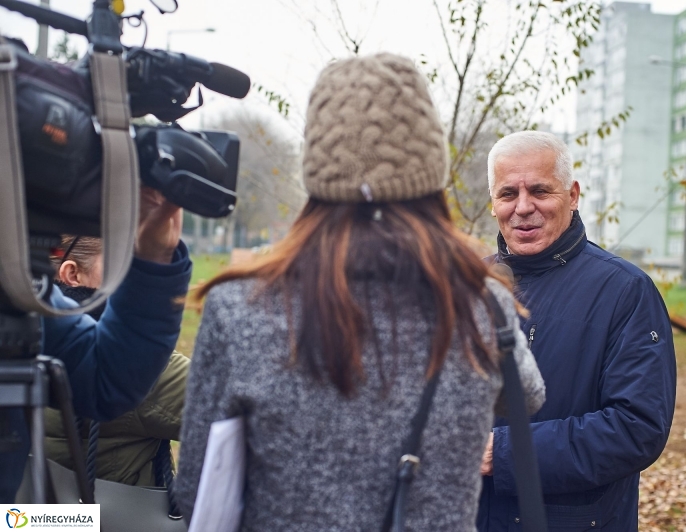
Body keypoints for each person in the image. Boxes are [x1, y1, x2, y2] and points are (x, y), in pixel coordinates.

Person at [175, 53, 546, 531]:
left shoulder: (242, 310)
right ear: (428, 174)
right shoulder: (481, 306)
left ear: (318, 171)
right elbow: (529, 396)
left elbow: (195, 493)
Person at [476, 131, 677, 531]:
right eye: (507, 194)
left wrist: (502, 452)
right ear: (493, 203)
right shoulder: (470, 285)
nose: (523, 208)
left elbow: (636, 428)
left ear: (572, 194)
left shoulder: (624, 291)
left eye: (539, 191)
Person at [0, 188, 191, 502]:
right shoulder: (151, 368)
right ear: (71, 273)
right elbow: (236, 419)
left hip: (27, 518)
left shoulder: (29, 318)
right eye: (119, 261)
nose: (128, 273)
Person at [43, 235, 189, 487]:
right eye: (123, 264)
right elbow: (240, 411)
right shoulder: (138, 362)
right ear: (73, 274)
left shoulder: (26, 333)